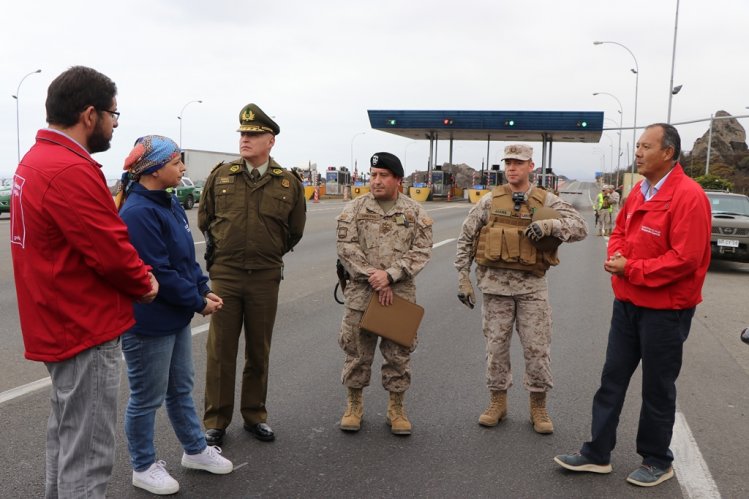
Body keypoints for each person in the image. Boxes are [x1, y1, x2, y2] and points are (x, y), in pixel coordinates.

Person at [9, 66, 158, 498]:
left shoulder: (35, 160)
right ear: (89, 115)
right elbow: (109, 247)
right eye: (114, 114)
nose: (114, 124)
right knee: (89, 456)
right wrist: (144, 283)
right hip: (83, 327)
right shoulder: (70, 169)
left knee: (66, 440)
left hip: (55, 321)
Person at [554, 123, 712, 487]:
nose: (637, 152)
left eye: (645, 146)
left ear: (668, 153)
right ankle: (597, 453)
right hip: (628, 303)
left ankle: (657, 459)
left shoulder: (689, 196)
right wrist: (616, 256)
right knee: (612, 379)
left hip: (665, 310)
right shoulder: (639, 191)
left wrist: (633, 269)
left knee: (657, 387)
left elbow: (685, 259)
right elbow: (621, 231)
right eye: (637, 145)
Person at [118, 136, 233, 495]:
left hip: (174, 317)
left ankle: (195, 450)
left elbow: (184, 260)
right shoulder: (138, 212)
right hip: (148, 322)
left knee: (180, 389)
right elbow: (159, 272)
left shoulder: (168, 203)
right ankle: (142, 466)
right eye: (176, 162)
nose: (183, 168)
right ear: (153, 169)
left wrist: (203, 288)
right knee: (146, 398)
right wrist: (198, 303)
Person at [455, 144, 587, 434]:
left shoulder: (545, 199)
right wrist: (463, 276)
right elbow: (467, 237)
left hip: (532, 289)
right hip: (495, 288)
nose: (512, 167)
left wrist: (551, 225)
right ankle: (497, 403)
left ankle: (538, 406)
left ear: (531, 166)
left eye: (519, 162)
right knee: (495, 349)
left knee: (537, 349)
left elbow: (580, 227)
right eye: (508, 162)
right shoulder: (490, 201)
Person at [199, 103, 306, 446]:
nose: (245, 139)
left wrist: (267, 251)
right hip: (226, 275)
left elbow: (294, 231)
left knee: (258, 350)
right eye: (243, 133)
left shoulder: (287, 182)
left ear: (269, 141)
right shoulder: (222, 175)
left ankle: (255, 415)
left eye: (253, 134)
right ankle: (216, 421)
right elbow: (206, 220)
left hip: (264, 276)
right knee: (220, 351)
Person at [336, 152, 433, 435]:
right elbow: (346, 247)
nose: (376, 181)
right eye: (373, 175)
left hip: (399, 293)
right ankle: (354, 405)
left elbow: (422, 251)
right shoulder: (353, 209)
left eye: (383, 176)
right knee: (356, 351)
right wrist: (373, 277)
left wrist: (390, 275)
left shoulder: (415, 213)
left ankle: (396, 408)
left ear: (398, 180)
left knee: (398, 354)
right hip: (361, 293)